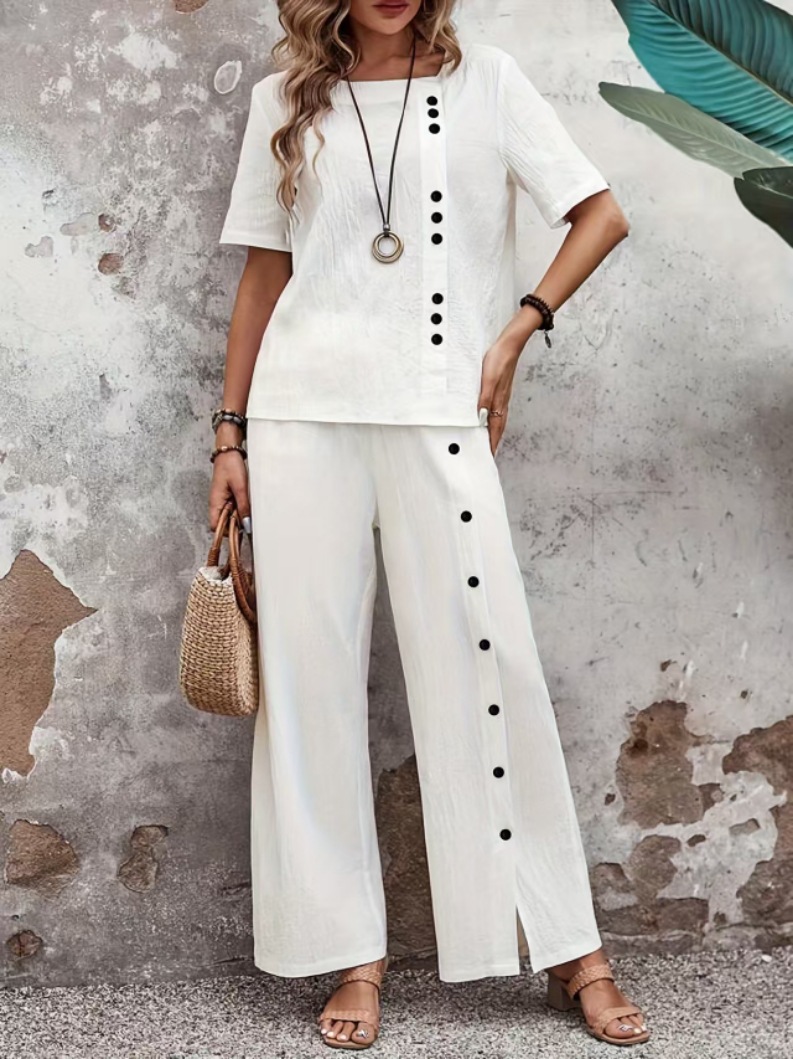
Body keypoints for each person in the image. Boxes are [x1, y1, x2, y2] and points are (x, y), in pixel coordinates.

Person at [209, 0, 648, 1049]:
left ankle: (569, 948)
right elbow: (265, 273)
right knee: (308, 694)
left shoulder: (485, 79)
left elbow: (600, 213)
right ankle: (352, 956)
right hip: (299, 417)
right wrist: (228, 436)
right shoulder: (284, 100)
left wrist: (516, 331)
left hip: (438, 410)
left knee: (491, 667)